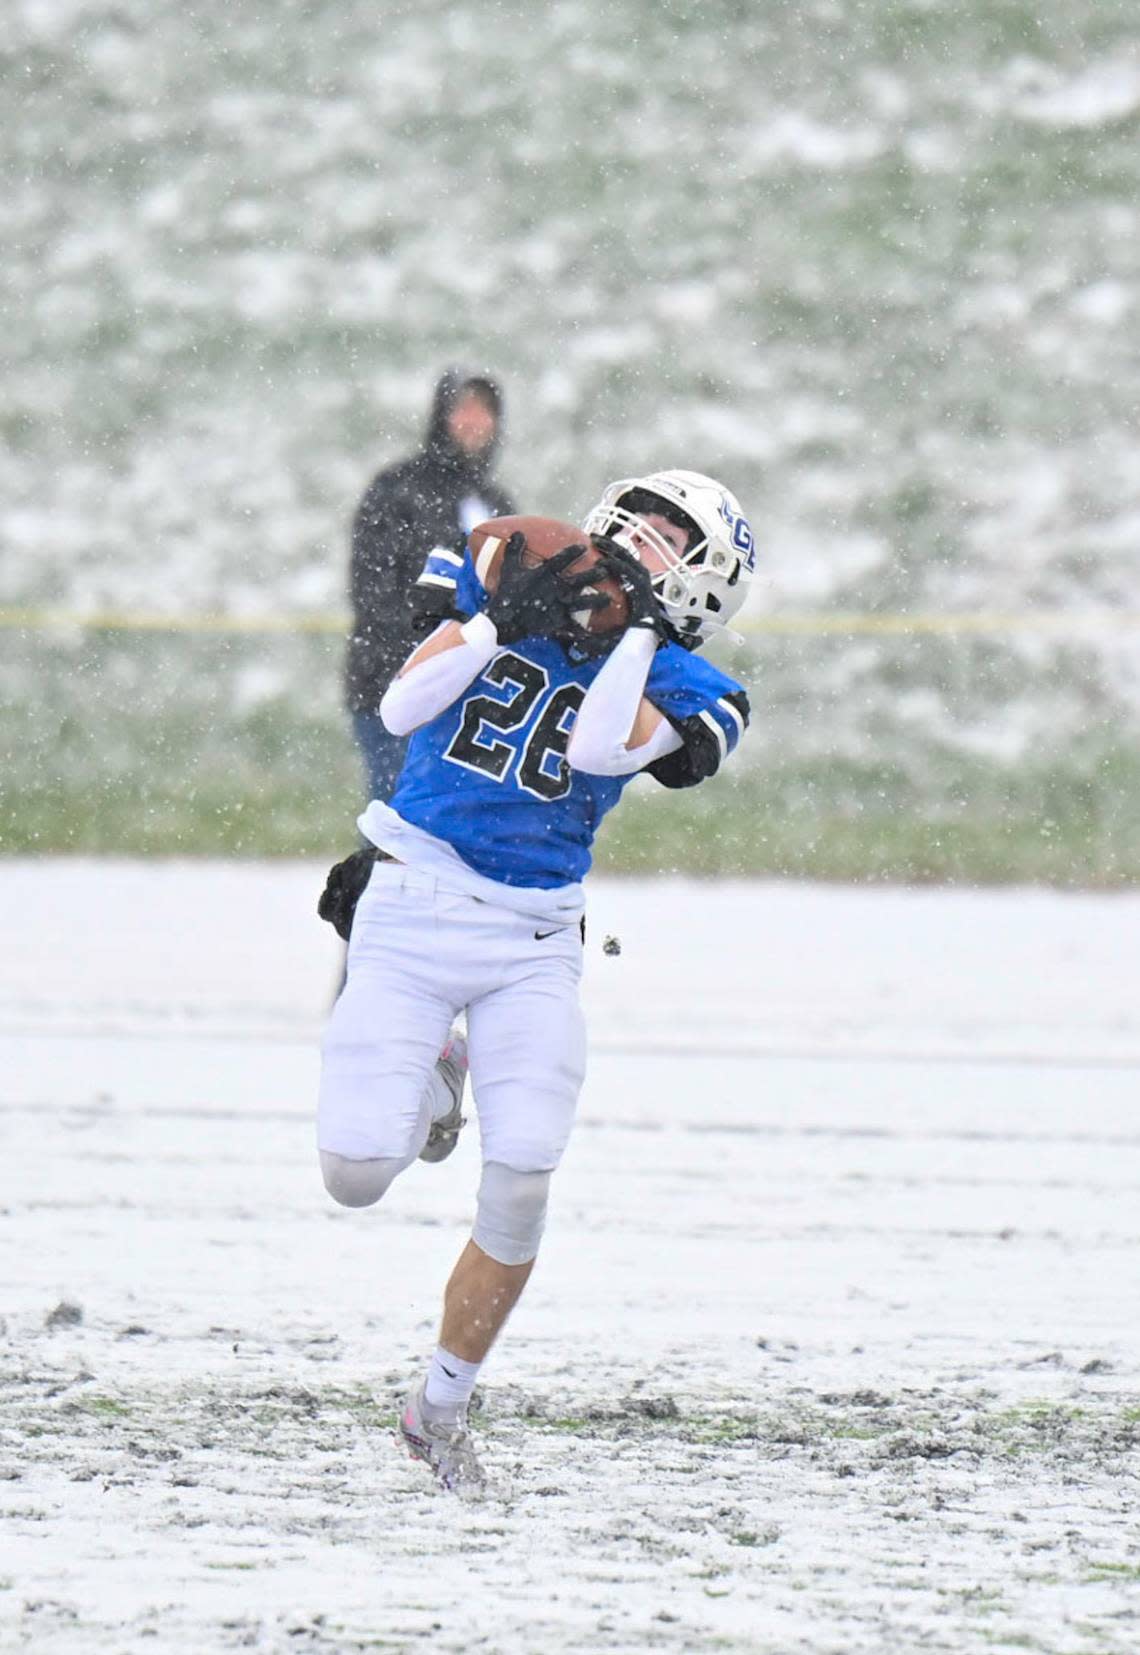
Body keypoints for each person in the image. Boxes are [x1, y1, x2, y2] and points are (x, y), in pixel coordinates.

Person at [317, 469, 755, 1492]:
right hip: (413, 897)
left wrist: (635, 634)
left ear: (707, 581)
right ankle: (438, 1061)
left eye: (670, 538)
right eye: (639, 523)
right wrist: (495, 624)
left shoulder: (697, 685)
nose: (643, 543)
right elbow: (400, 698)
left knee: (521, 1173)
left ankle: (439, 1407)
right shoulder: (505, 569)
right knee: (355, 1175)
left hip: (533, 936)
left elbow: (600, 740)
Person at [345, 367, 516, 803]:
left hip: (470, 696)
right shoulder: (397, 490)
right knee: (397, 819)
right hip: (396, 683)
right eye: (464, 409)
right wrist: (433, 649)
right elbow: (372, 591)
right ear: (441, 416)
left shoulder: (497, 504)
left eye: (485, 411)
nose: (475, 421)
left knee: (452, 829)